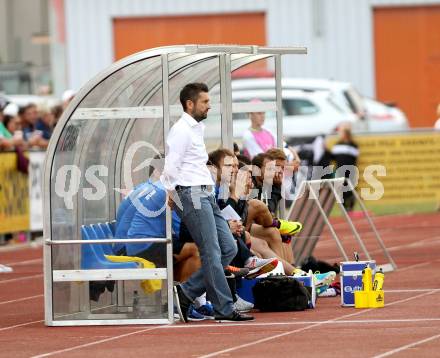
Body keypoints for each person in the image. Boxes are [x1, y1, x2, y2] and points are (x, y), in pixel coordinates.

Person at [161, 82, 253, 323]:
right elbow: (171, 165)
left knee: (229, 248)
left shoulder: (196, 129)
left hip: (206, 194)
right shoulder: (181, 129)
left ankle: (186, 291)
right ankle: (224, 308)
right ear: (189, 104)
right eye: (205, 102)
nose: (208, 106)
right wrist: (171, 191)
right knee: (212, 253)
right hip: (191, 194)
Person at [331, 125, 359, 211]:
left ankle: (350, 207)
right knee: (341, 188)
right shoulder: (337, 144)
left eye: (342, 133)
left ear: (347, 134)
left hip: (350, 169)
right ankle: (343, 207)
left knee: (350, 188)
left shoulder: (353, 144)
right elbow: (333, 157)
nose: (341, 135)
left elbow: (354, 157)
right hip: (340, 169)